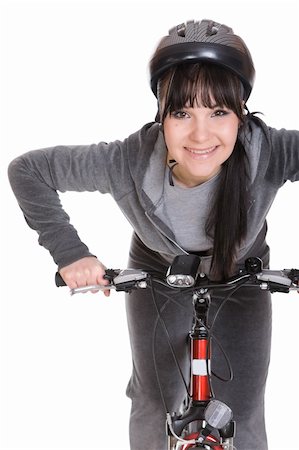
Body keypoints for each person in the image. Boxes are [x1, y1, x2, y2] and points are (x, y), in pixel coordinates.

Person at [8, 18, 299, 450]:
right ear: (161, 115)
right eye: (182, 113)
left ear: (240, 114)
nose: (201, 135)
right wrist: (71, 253)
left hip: (242, 277)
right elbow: (28, 170)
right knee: (155, 399)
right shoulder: (128, 160)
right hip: (158, 275)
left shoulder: (269, 151)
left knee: (244, 406)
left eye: (218, 112)